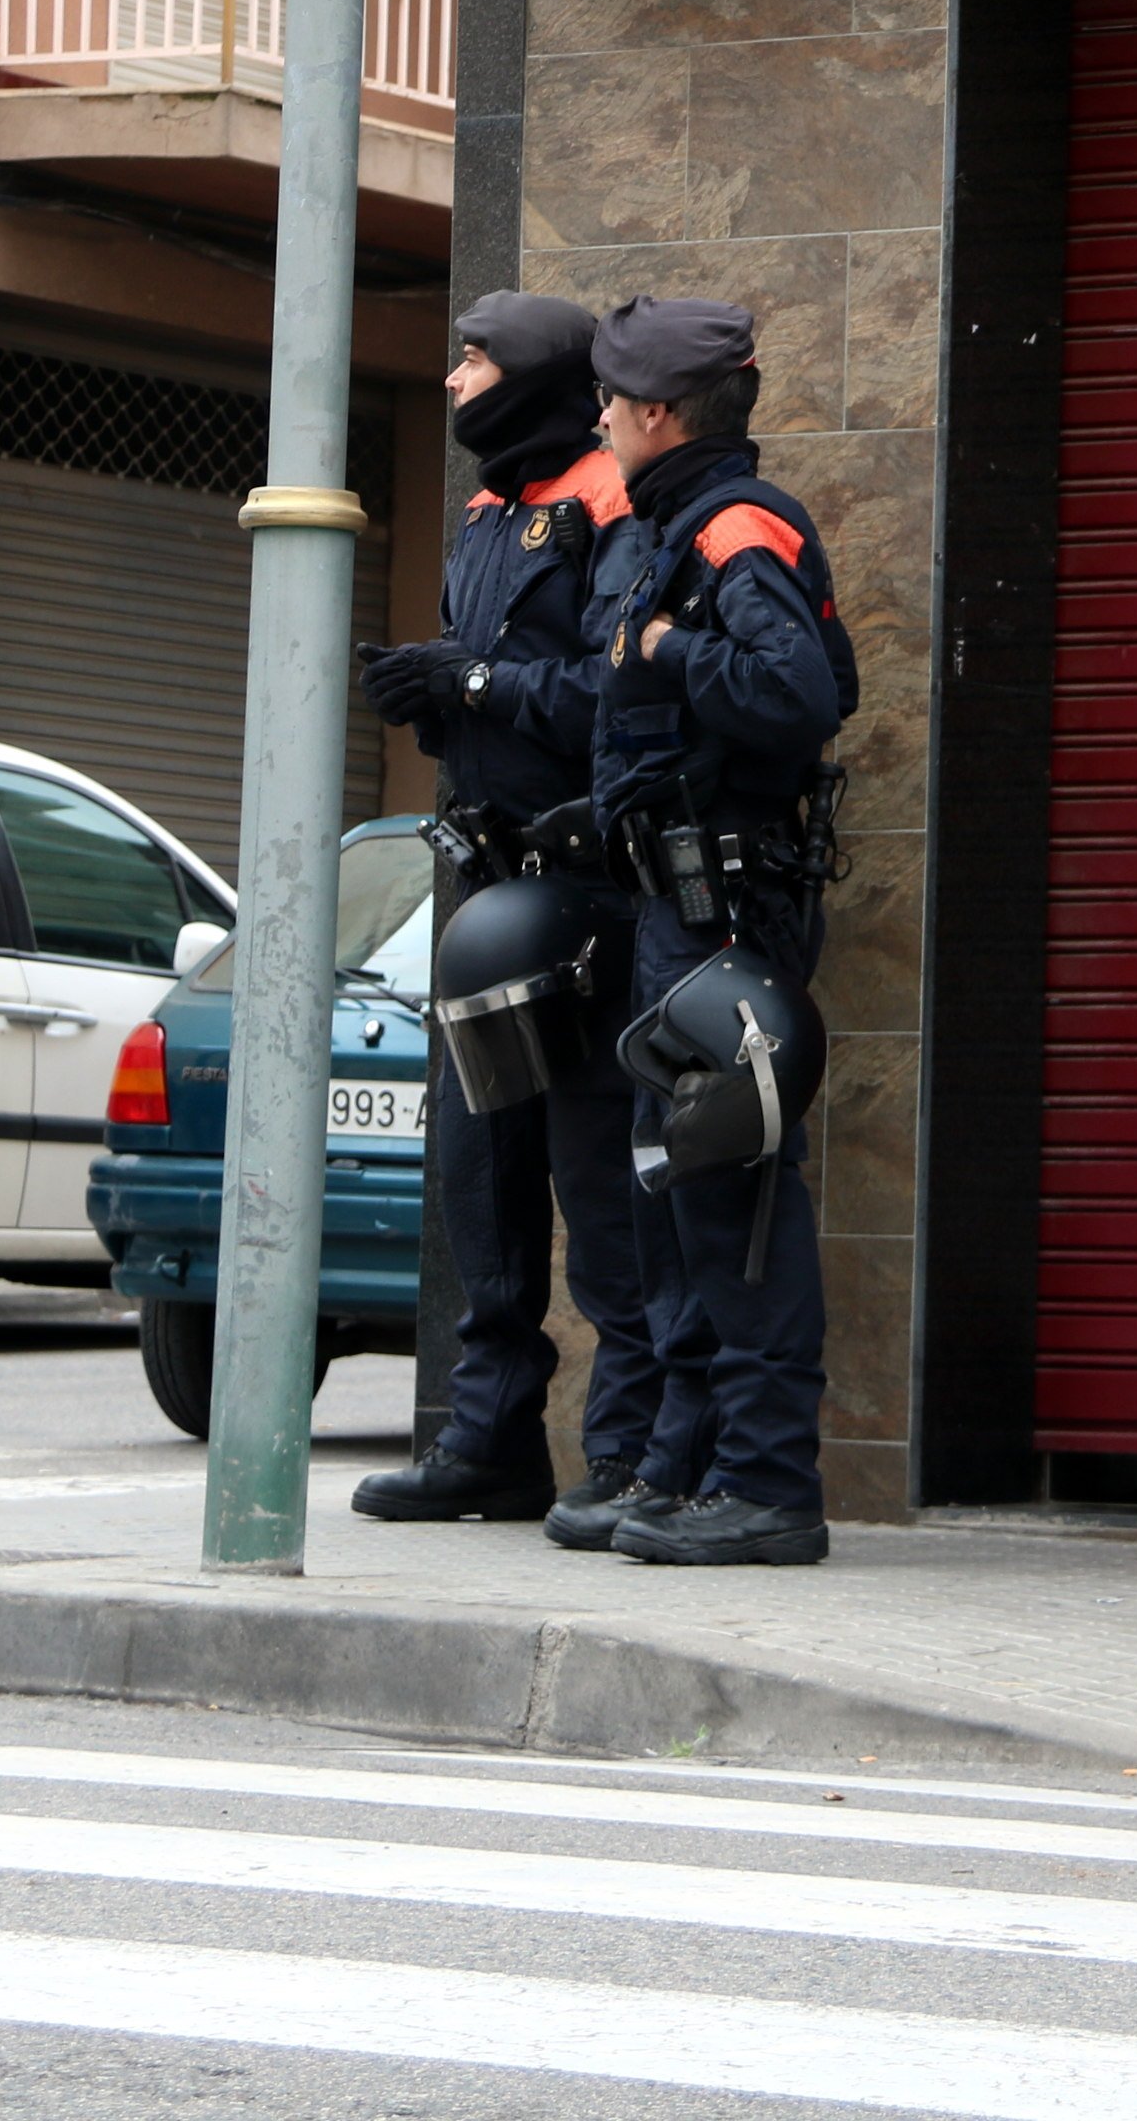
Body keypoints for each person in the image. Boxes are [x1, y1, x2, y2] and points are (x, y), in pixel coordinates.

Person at [349, 294, 690, 1547]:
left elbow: (620, 678)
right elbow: (488, 678)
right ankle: (489, 1441)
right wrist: (432, 691)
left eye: (477, 357)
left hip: (591, 886)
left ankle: (620, 1452)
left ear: (541, 371)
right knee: (482, 1176)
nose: (453, 380)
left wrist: (478, 678)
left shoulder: (611, 495)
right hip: (490, 890)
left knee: (602, 1180)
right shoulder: (493, 509)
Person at [585, 295, 856, 1567]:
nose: (597, 419)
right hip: (673, 907)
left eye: (609, 401)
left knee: (736, 1195)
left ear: (655, 414)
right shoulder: (679, 525)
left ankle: (768, 1487)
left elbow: (801, 694)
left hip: (724, 907)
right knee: (681, 1201)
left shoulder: (738, 525)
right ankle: (692, 1468)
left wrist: (670, 648)